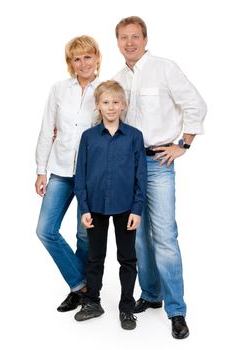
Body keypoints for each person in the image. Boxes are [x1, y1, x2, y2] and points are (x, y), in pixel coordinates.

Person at [114, 16, 207, 339]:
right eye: (124, 37)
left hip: (159, 163)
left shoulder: (164, 68)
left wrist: (185, 144)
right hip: (129, 165)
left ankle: (176, 310)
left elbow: (196, 104)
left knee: (165, 237)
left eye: (135, 36)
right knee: (138, 235)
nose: (130, 42)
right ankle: (151, 294)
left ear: (145, 38)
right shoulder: (117, 79)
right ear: (118, 42)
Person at [35, 35, 102, 312]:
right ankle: (82, 285)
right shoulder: (59, 89)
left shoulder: (107, 90)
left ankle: (78, 292)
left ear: (97, 58)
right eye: (77, 58)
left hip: (91, 175)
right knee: (45, 231)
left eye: (88, 56)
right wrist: (40, 170)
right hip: (60, 171)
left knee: (83, 236)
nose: (83, 63)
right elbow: (46, 128)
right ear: (70, 63)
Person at [74, 80, 147, 330]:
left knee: (127, 259)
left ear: (123, 105)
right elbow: (81, 175)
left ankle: (127, 308)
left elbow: (141, 176)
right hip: (94, 207)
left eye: (116, 102)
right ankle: (92, 301)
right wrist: (84, 208)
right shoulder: (88, 137)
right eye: (106, 102)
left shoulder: (135, 137)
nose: (111, 107)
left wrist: (137, 210)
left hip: (126, 207)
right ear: (98, 105)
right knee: (95, 258)